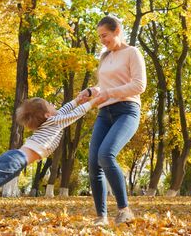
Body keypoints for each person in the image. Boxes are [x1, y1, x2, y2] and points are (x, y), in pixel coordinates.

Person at [77, 15, 146, 225]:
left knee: (106, 155)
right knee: (93, 163)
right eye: (99, 37)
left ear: (117, 31)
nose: (102, 40)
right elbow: (103, 87)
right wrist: (90, 91)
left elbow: (139, 85)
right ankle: (102, 216)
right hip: (104, 113)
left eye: (105, 35)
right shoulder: (105, 57)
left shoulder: (132, 53)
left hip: (127, 110)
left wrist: (111, 93)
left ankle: (124, 210)